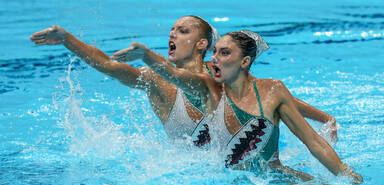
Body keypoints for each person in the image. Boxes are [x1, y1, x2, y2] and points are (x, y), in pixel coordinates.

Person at [30, 16, 336, 144]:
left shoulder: (220, 77)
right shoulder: (156, 81)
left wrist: (325, 119)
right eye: (172, 30)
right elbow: (108, 65)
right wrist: (67, 39)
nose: (172, 34)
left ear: (202, 44)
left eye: (183, 30)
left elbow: (271, 97)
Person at [121, 30, 362, 183]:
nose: (214, 58)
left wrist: (346, 175)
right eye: (214, 52)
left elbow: (314, 142)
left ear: (245, 61)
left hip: (274, 178)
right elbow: (174, 75)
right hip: (223, 181)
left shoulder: (271, 90)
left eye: (224, 53)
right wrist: (147, 57)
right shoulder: (209, 86)